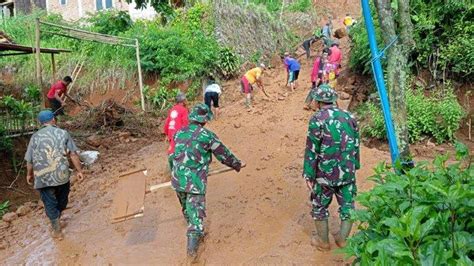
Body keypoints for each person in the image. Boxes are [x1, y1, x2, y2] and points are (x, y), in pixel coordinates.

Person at [171, 103, 242, 258]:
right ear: (204, 120)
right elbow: (223, 154)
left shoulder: (178, 133)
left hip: (177, 180)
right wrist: (236, 164)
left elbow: (172, 156)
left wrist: (174, 173)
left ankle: (194, 229)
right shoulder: (207, 136)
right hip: (195, 182)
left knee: (187, 210)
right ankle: (192, 256)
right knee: (196, 218)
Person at [302, 86, 360, 251]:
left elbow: (312, 149)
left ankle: (323, 241)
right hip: (347, 172)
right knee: (348, 205)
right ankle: (342, 239)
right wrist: (354, 166)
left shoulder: (317, 119)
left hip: (324, 174)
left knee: (319, 205)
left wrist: (308, 174)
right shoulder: (350, 116)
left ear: (319, 102)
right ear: (335, 100)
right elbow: (356, 144)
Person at [25, 110, 84, 239]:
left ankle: (56, 226)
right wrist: (79, 171)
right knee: (62, 199)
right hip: (61, 175)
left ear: (40, 123)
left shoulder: (34, 137)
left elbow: (30, 160)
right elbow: (73, 154)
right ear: (53, 120)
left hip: (43, 177)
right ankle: (57, 225)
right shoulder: (63, 133)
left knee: (49, 202)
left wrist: (29, 174)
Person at [163, 91, 189, 170]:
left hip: (171, 132)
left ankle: (172, 171)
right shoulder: (184, 110)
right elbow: (185, 123)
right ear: (183, 100)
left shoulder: (172, 109)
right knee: (182, 152)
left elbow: (167, 122)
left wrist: (167, 134)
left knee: (172, 150)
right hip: (179, 133)